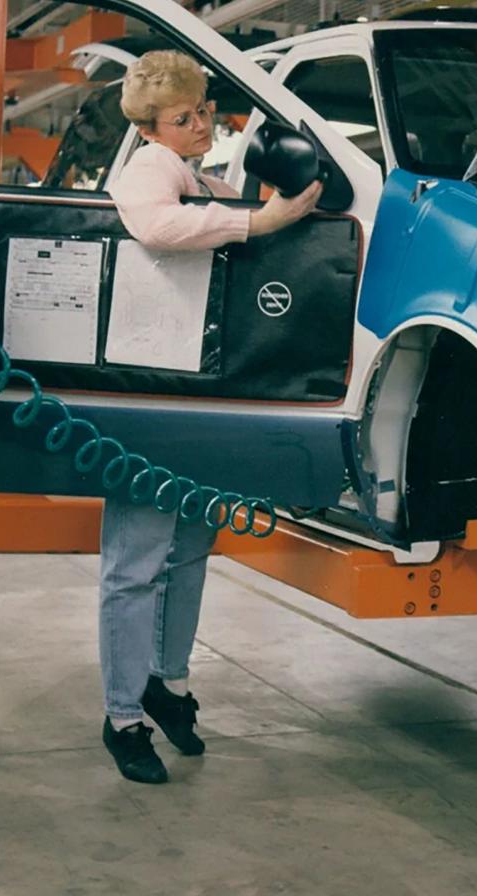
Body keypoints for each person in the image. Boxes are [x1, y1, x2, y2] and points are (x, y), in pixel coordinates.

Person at [101, 50, 322, 784]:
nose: (200, 124)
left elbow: (234, 216)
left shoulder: (200, 177)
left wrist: (271, 204)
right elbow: (156, 225)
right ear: (151, 127)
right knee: (137, 562)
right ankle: (122, 717)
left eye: (202, 110)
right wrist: (260, 220)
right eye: (183, 117)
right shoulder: (150, 168)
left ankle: (167, 682)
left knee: (189, 548)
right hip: (149, 393)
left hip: (193, 390)